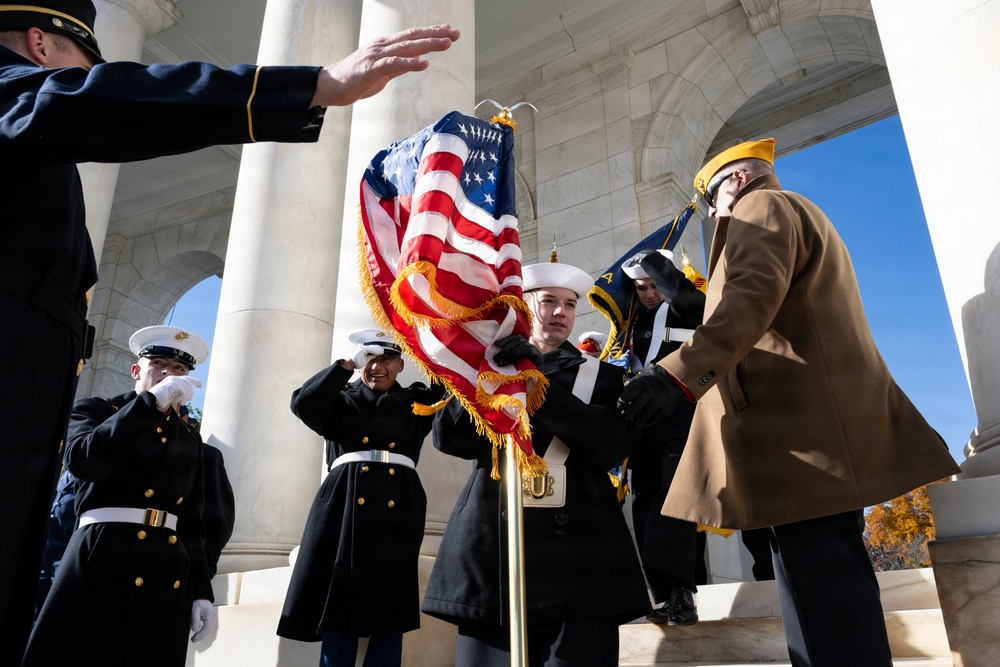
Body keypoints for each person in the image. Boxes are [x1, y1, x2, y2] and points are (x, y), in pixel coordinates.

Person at [0, 2, 458, 661]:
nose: (87, 80)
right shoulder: (13, 94)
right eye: (83, 65)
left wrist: (199, 582)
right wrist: (308, 86)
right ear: (41, 44)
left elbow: (205, 515)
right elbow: (89, 459)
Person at [617, 137, 962, 667]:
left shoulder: (762, 206)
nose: (713, 213)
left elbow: (750, 299)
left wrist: (674, 377)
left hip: (800, 442)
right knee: (819, 601)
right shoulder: (793, 211)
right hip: (804, 442)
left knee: (827, 608)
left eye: (713, 199)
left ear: (735, 181)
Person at [422, 260, 651, 666]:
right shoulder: (487, 368)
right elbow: (449, 438)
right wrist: (488, 372)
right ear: (525, 308)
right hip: (495, 550)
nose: (560, 312)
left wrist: (536, 384)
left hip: (581, 556)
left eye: (569, 304)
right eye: (548, 302)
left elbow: (612, 444)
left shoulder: (603, 377)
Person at [24, 325, 217, 667]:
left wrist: (201, 590)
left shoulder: (190, 440)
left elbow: (191, 523)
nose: (168, 374)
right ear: (136, 370)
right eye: (158, 363)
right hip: (100, 556)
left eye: (179, 370)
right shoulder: (95, 412)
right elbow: (84, 460)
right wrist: (150, 405)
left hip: (164, 571)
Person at [277, 329, 445, 667]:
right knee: (338, 598)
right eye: (369, 358)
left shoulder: (417, 401)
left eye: (386, 359)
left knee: (391, 606)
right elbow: (302, 404)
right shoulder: (340, 398)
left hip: (398, 503)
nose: (376, 366)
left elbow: (451, 386)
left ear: (400, 364)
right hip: (344, 502)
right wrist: (345, 365)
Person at [618, 249, 705, 625]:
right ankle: (664, 596)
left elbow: (693, 302)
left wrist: (662, 269)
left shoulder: (683, 307)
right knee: (644, 507)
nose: (650, 293)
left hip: (681, 420)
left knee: (673, 507)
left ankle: (682, 594)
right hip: (642, 428)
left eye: (655, 285)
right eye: (641, 287)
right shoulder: (630, 322)